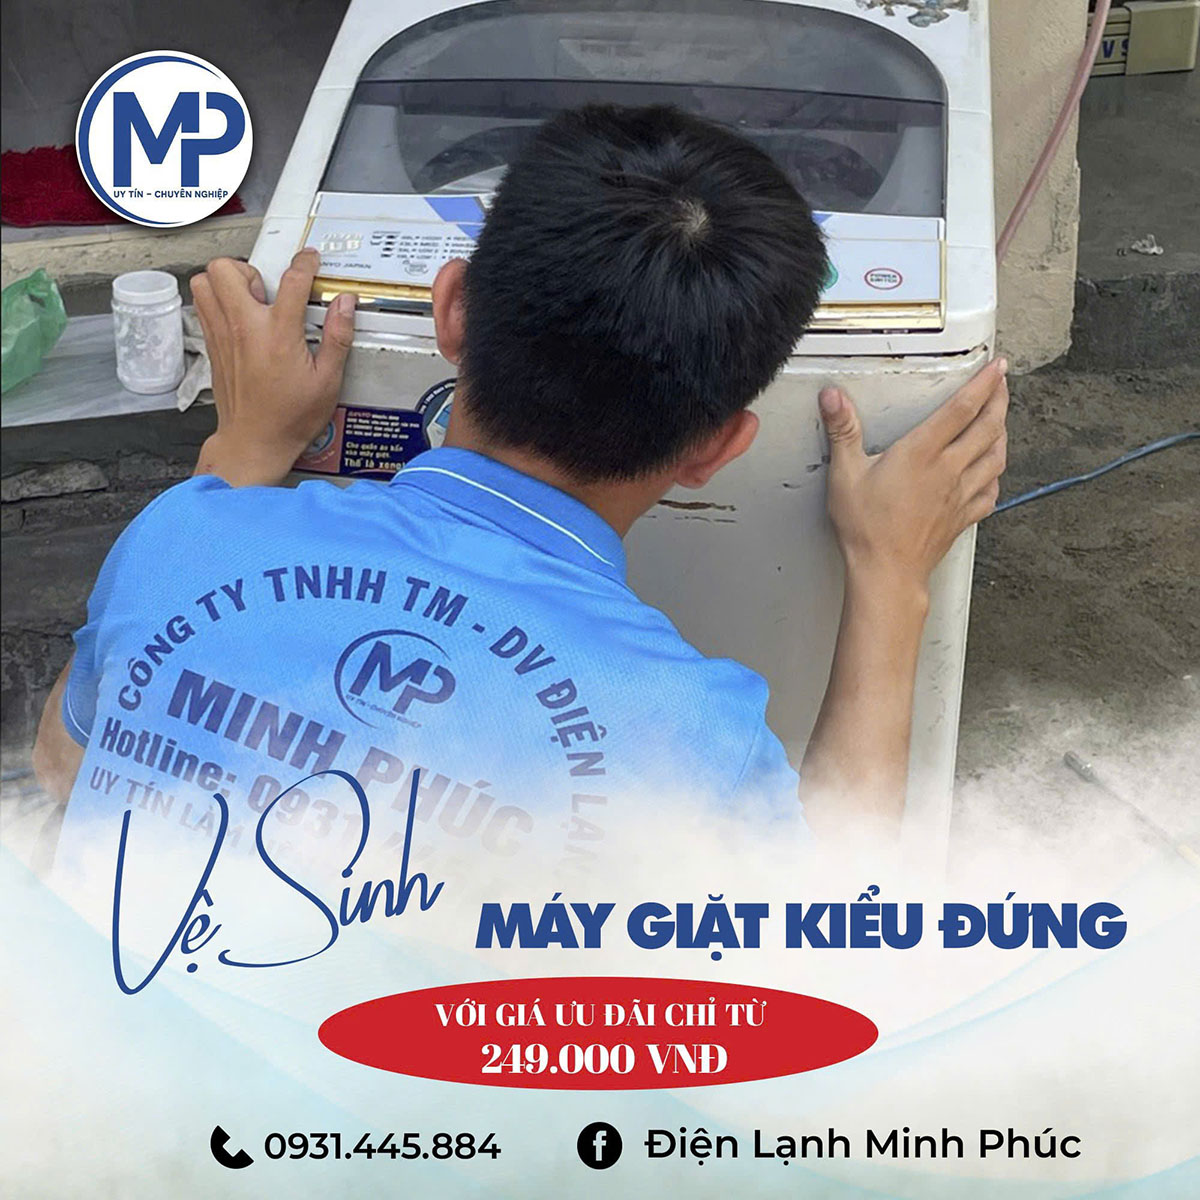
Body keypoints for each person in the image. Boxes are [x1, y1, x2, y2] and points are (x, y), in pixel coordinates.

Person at [33, 105, 1006, 865]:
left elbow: (65, 767)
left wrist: (241, 451)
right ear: (718, 447)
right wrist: (891, 579)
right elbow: (828, 940)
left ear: (451, 310)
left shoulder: (184, 535)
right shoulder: (691, 739)